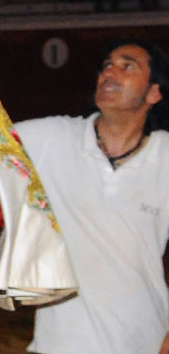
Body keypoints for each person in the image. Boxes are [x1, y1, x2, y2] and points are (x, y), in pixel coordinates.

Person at [15, 40, 169, 354]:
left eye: (127, 66)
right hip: (58, 345)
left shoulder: (166, 156)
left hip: (145, 343)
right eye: (106, 65)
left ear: (154, 92)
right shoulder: (51, 139)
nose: (109, 73)